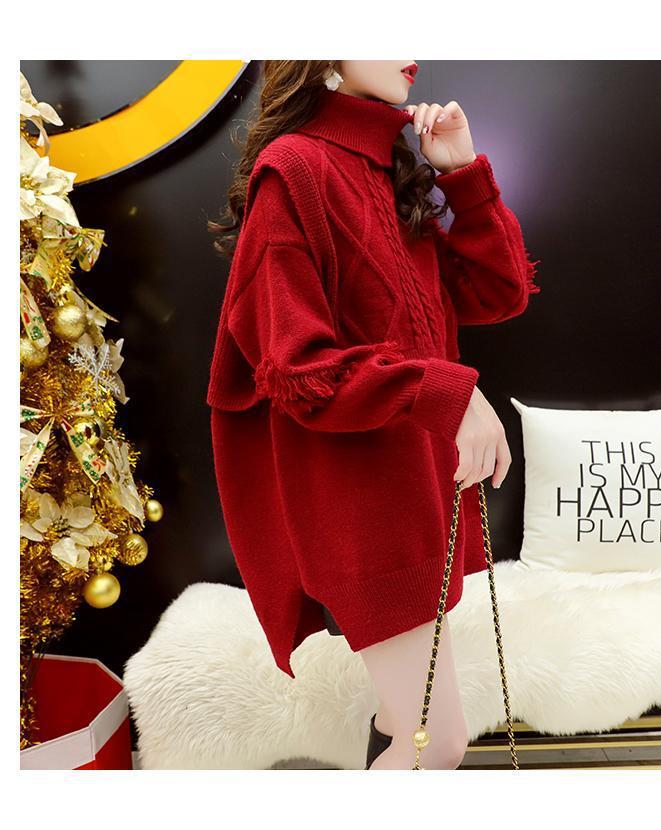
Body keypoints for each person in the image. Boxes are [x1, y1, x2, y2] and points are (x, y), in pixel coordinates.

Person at [206, 60, 541, 770]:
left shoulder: (386, 166)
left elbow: (499, 292)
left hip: (420, 497)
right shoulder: (294, 169)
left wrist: (462, 174)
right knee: (437, 745)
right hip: (361, 514)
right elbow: (297, 371)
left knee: (403, 728)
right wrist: (448, 393)